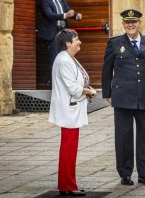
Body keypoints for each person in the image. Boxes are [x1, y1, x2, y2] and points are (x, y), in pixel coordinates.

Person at [101, 9, 145, 186]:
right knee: (123, 137)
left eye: (134, 22)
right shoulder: (115, 43)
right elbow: (106, 71)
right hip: (122, 97)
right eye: (127, 22)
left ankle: (144, 173)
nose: (130, 25)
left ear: (139, 23)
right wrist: (107, 93)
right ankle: (125, 173)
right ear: (123, 24)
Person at [48, 29, 97, 197]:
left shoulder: (68, 58)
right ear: (68, 43)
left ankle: (67, 184)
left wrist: (86, 88)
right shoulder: (64, 60)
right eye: (76, 39)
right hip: (68, 111)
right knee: (68, 150)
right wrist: (89, 92)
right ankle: (67, 185)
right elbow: (73, 88)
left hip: (71, 110)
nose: (79, 42)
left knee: (69, 149)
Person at [37, 0, 83, 71]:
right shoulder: (44, 1)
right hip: (52, 33)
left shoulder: (61, 0)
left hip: (63, 32)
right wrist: (65, 15)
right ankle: (54, 83)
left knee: (64, 55)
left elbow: (68, 10)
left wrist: (76, 15)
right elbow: (50, 15)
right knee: (54, 58)